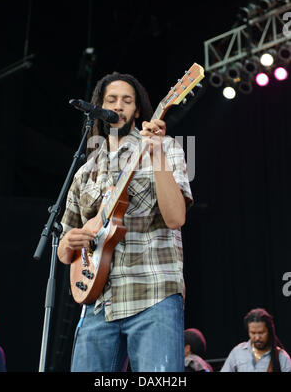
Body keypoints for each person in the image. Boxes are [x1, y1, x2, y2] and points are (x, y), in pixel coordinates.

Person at [57, 72, 193, 372]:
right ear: (98, 107)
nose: (118, 106)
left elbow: (176, 218)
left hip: (152, 294)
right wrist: (70, 240)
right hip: (97, 304)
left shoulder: (167, 148)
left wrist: (156, 154)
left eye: (126, 100)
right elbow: (65, 252)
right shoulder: (86, 171)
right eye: (111, 100)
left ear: (138, 110)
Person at [221, 307, 291, 372]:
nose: (257, 338)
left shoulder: (282, 357)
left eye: (261, 333)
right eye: (253, 333)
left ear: (269, 331)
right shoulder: (237, 352)